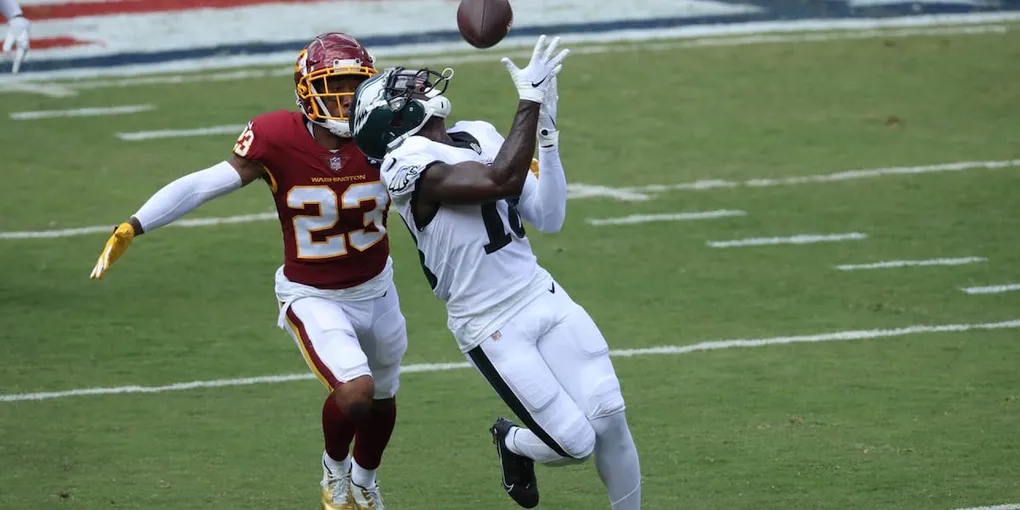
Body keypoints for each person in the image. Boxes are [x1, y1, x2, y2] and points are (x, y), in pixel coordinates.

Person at [89, 32, 405, 510]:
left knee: (382, 396)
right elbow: (204, 184)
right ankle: (334, 471)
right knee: (356, 392)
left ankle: (365, 482)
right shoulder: (276, 136)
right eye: (334, 86)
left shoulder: (389, 132)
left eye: (354, 86)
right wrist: (137, 223)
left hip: (379, 289)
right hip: (313, 294)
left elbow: (444, 166)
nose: (345, 99)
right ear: (307, 91)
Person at [350, 35, 641, 509]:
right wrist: (528, 101)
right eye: (405, 91)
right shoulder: (404, 165)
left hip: (539, 290)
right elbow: (497, 180)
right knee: (574, 443)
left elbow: (549, 216)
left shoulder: (479, 133)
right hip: (489, 322)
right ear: (395, 121)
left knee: (610, 415)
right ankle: (512, 442)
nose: (420, 86)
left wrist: (547, 132)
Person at [1, 0, 30, 73]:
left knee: (20, 50)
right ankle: (14, 69)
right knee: (7, 51)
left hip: (18, 23)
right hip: (15, 23)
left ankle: (15, 71)